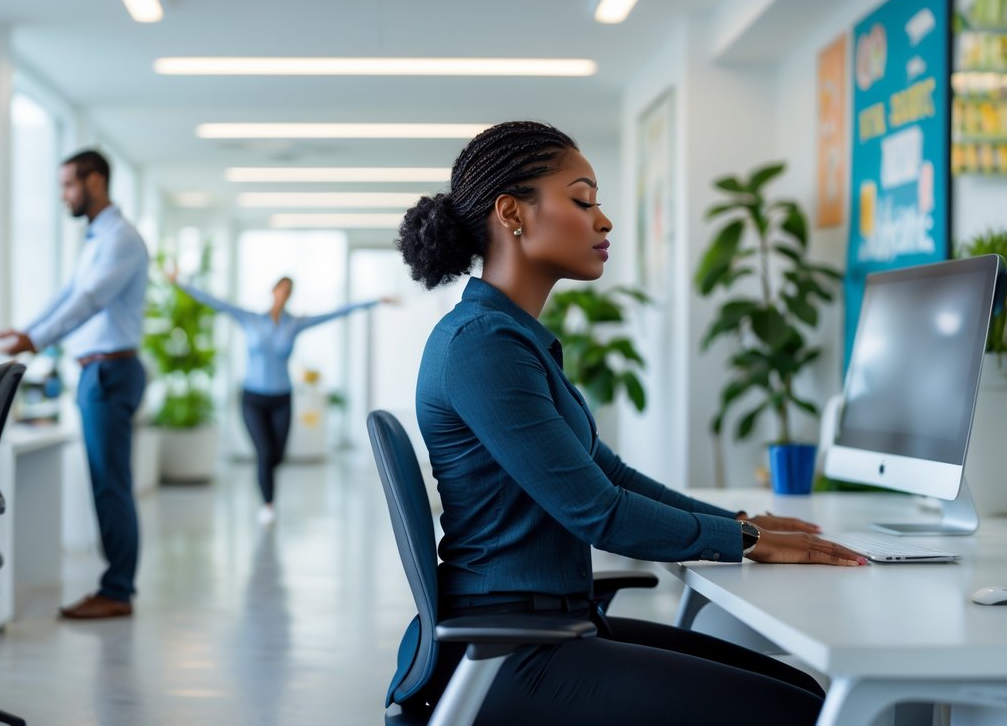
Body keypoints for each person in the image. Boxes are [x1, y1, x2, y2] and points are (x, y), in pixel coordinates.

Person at [393, 121, 867, 725]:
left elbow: (608, 475)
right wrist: (748, 542)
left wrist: (738, 523)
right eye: (582, 201)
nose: (604, 221)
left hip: (544, 627)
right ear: (512, 213)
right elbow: (598, 513)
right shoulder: (482, 346)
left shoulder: (508, 337)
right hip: (506, 651)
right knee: (802, 711)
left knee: (802, 690)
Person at [0, 149, 149, 620]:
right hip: (98, 371)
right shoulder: (99, 237)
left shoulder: (121, 239)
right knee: (106, 482)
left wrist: (35, 341)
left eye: (69, 185)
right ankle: (117, 585)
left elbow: (90, 299)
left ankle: (117, 590)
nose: (64, 196)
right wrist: (26, 331)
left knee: (110, 485)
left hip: (110, 372)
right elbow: (68, 293)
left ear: (95, 181)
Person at [168, 271, 393, 522]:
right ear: (273, 291)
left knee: (277, 456)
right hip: (253, 399)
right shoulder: (250, 319)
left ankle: (266, 484)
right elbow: (215, 302)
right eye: (281, 289)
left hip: (281, 399)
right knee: (265, 453)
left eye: (288, 291)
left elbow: (336, 313)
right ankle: (268, 505)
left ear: (289, 296)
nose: (283, 294)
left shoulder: (294, 324)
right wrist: (179, 283)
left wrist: (374, 301)